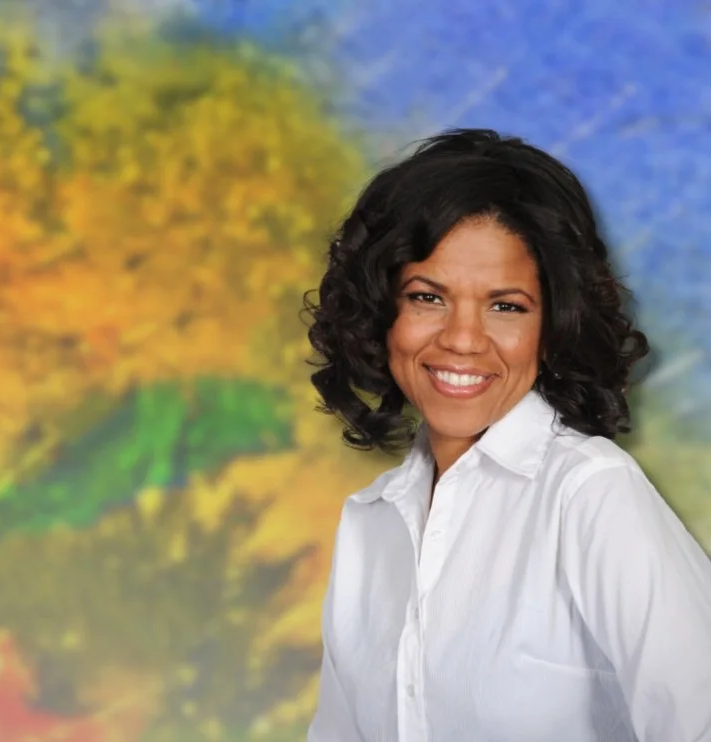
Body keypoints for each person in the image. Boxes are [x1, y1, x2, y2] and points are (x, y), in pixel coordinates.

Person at [303, 128, 711, 742]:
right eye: (427, 296)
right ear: (380, 312)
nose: (463, 339)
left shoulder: (591, 493)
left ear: (552, 327)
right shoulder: (370, 523)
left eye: (506, 306)